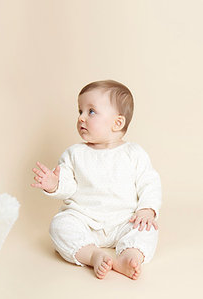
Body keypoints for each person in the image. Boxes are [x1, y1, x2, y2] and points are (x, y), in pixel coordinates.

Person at [31, 80, 161, 280]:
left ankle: (130, 256)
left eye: (90, 112)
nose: (81, 118)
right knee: (59, 225)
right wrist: (55, 184)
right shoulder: (74, 153)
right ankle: (92, 254)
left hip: (124, 220)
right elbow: (69, 185)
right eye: (80, 111)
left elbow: (149, 182)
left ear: (117, 123)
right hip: (84, 219)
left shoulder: (134, 153)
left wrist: (147, 209)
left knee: (147, 229)